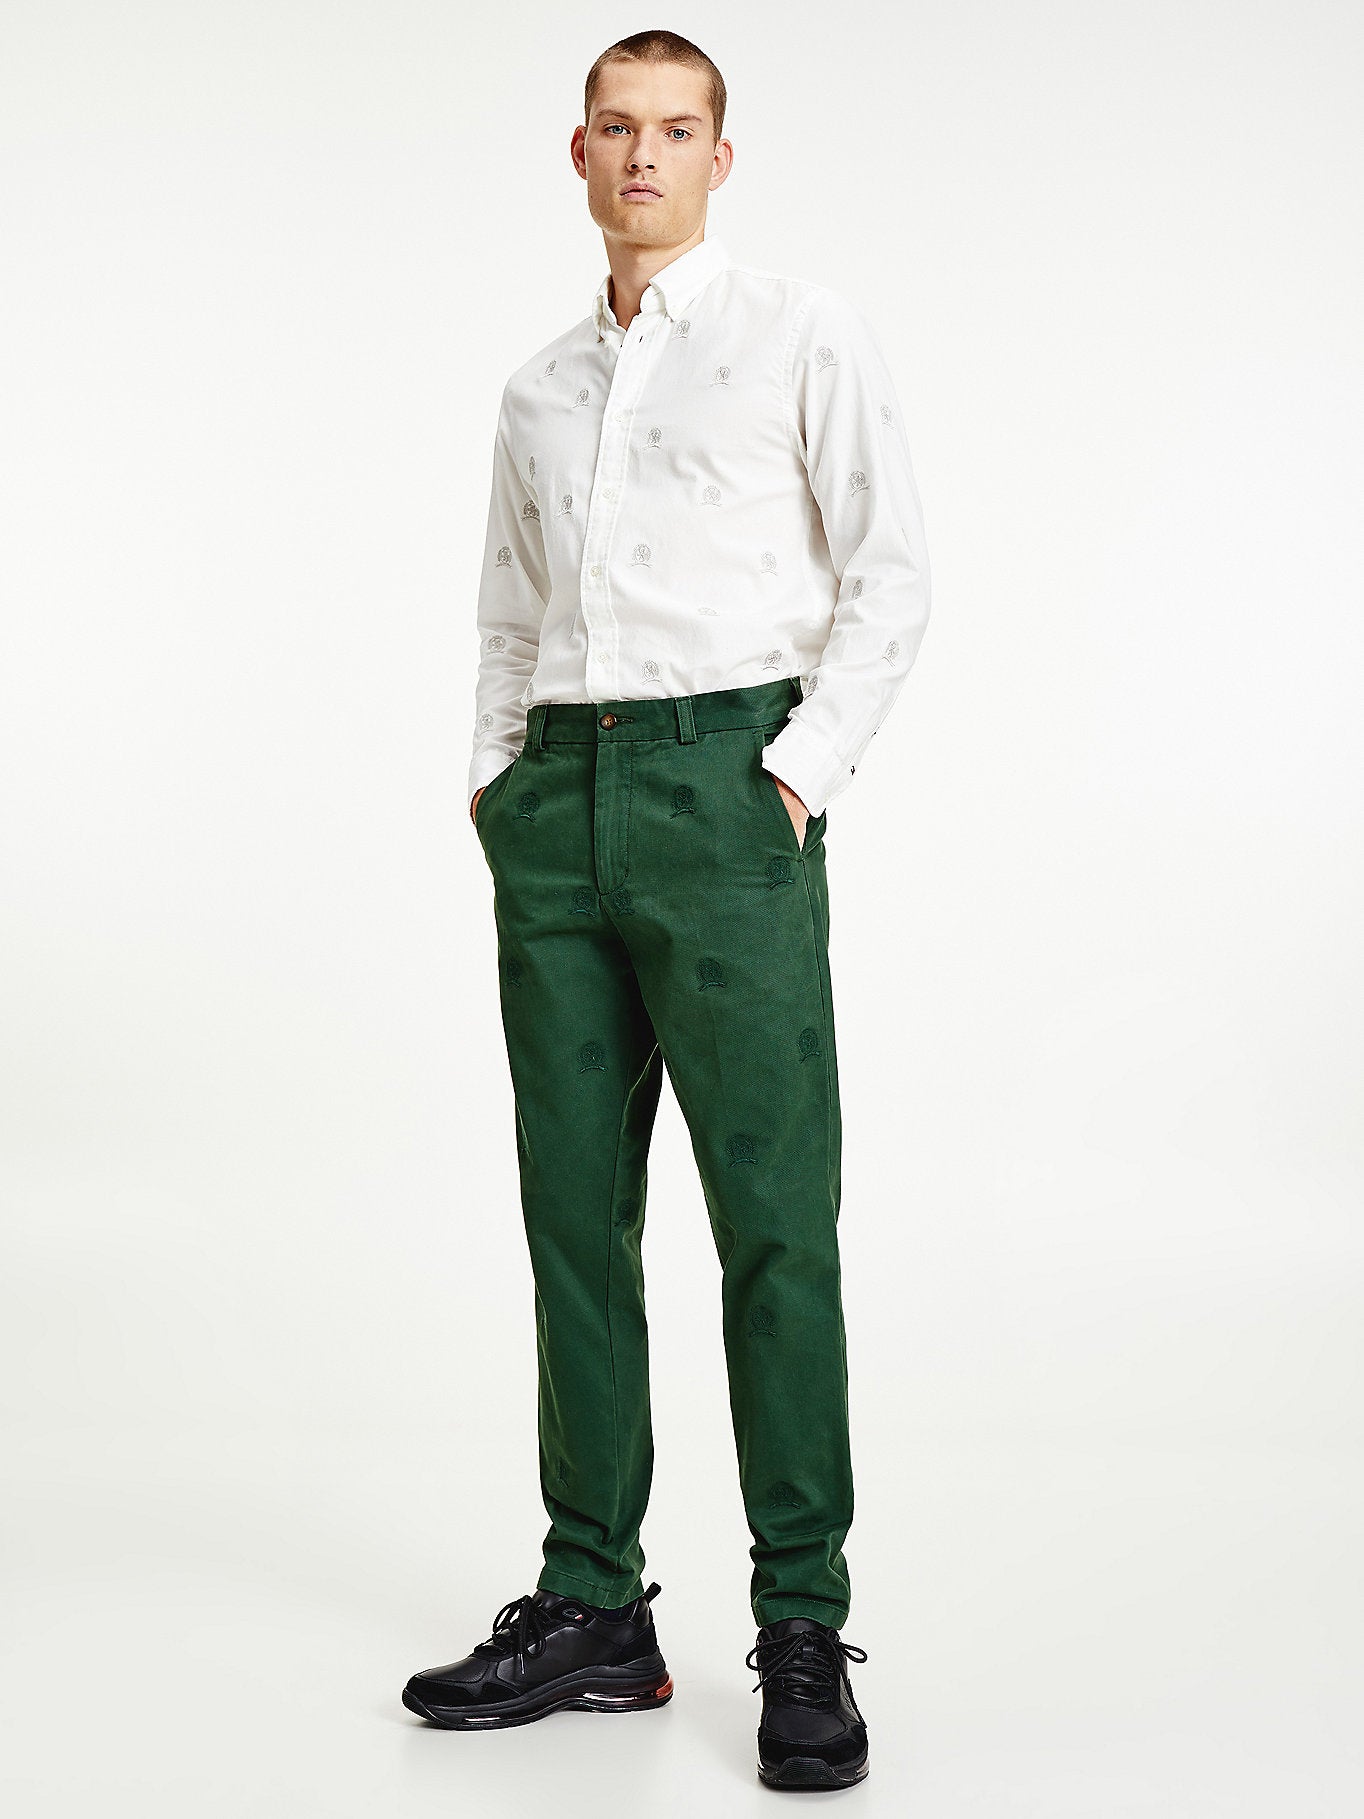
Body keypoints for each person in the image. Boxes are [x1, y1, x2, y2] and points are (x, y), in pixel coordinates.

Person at [401, 28, 931, 1792]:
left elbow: (891, 573)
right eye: (617, 128)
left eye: (677, 128)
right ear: (578, 152)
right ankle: (595, 1607)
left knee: (775, 1225)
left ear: (719, 155)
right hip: (560, 801)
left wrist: (798, 774)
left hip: (728, 794)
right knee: (574, 1220)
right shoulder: (537, 391)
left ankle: (802, 1620)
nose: (645, 154)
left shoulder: (800, 332)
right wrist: (499, 780)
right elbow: (506, 609)